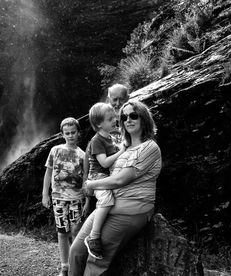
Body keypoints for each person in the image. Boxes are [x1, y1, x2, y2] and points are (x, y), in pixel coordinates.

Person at [69, 100, 162, 276]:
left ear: (144, 119)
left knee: (95, 263)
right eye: (124, 116)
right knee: (76, 251)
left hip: (130, 210)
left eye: (134, 115)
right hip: (107, 206)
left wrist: (91, 185)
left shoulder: (150, 147)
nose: (128, 120)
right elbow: (94, 158)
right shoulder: (123, 148)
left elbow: (120, 180)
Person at [42, 117, 86, 276]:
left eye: (73, 132)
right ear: (62, 134)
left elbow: (85, 179)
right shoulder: (55, 150)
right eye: (67, 133)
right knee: (62, 232)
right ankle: (64, 266)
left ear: (78, 133)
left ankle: (75, 266)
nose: (70, 135)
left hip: (76, 199)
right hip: (58, 198)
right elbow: (48, 173)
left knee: (76, 231)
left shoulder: (82, 155)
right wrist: (44, 194)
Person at [83, 103, 126, 260]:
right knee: (107, 200)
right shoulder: (97, 141)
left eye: (114, 117)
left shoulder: (112, 138)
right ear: (99, 124)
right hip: (97, 177)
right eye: (110, 119)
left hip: (106, 176)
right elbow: (105, 163)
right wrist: (122, 151)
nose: (115, 120)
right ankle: (93, 236)